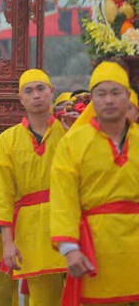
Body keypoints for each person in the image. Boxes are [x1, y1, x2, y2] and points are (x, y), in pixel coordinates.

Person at [50, 61, 139, 304]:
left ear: (128, 97)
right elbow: (63, 197)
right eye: (101, 94)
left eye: (115, 92)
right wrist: (70, 248)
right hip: (95, 249)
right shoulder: (73, 142)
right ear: (93, 100)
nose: (108, 100)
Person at [0, 70, 67, 305]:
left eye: (41, 89)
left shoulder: (70, 131)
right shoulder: (8, 139)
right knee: (42, 298)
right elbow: (1, 194)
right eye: (29, 91)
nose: (36, 96)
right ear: (20, 98)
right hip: (31, 230)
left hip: (70, 220)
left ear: (51, 92)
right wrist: (7, 243)